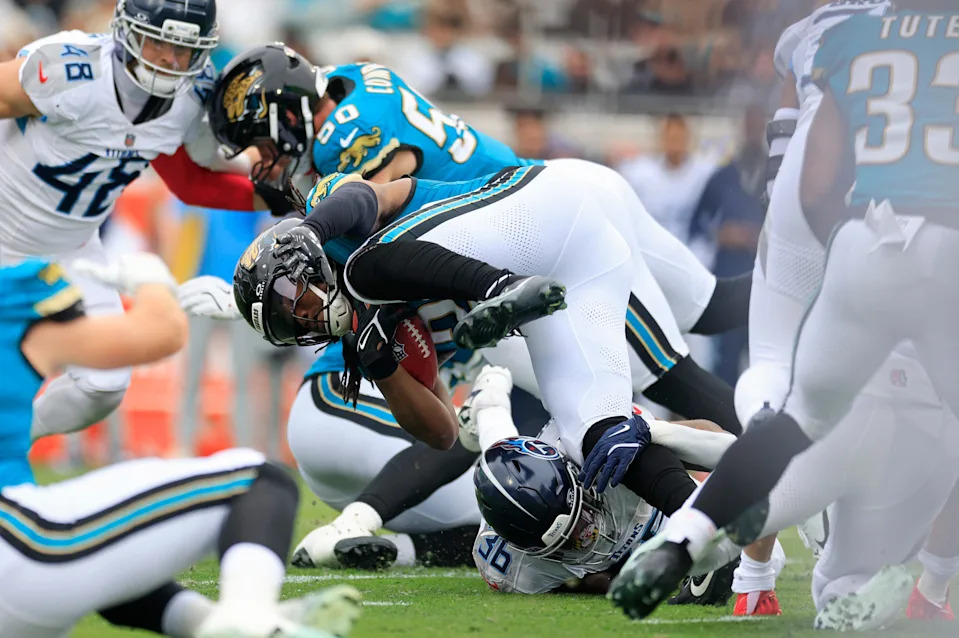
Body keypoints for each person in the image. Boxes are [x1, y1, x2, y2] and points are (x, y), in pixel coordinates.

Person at [611, 1, 959, 627]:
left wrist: (839, 255)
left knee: (789, 406)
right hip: (947, 244)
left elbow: (815, 175)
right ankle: (909, 579)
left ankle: (687, 536)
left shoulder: (847, 31)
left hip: (852, 233)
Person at [0, 254, 360, 638]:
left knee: (111, 559)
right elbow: (161, 334)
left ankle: (207, 622)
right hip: (16, 546)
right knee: (260, 482)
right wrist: (151, 279)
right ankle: (250, 618)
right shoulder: (17, 288)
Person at [0, 0, 277, 445]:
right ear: (127, 32)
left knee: (103, 385)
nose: (169, 60)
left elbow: (191, 184)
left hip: (72, 248)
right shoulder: (70, 68)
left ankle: (10, 440)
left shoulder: (190, 99)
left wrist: (286, 198)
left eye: (183, 50)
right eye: (159, 42)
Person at [467, 365, 751, 598]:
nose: (587, 536)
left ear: (574, 478)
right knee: (497, 464)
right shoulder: (513, 569)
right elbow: (574, 582)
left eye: (581, 519)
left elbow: (724, 446)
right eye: (566, 541)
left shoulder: (587, 439)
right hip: (535, 511)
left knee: (752, 551)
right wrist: (602, 579)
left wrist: (654, 432)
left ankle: (489, 402)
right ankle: (487, 403)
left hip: (650, 505)